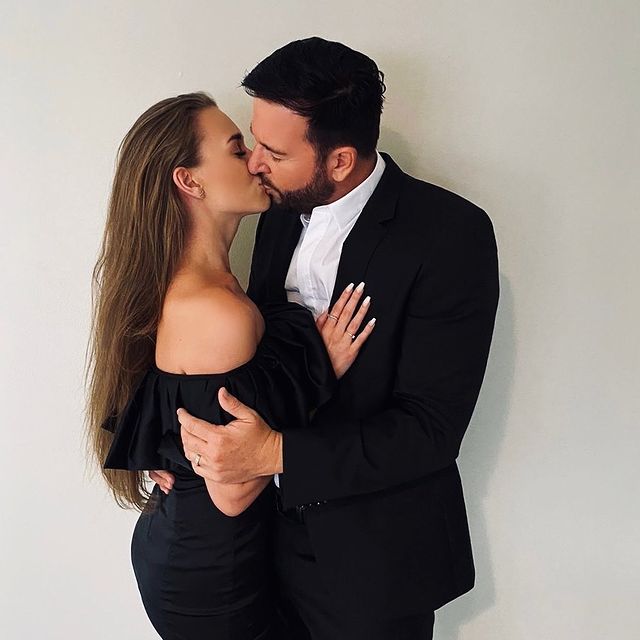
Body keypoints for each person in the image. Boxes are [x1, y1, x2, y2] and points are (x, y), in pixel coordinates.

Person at [168, 38, 500, 639]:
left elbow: (430, 430)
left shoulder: (451, 235)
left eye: (273, 151)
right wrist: (171, 448)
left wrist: (276, 454)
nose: (254, 163)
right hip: (251, 545)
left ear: (340, 160)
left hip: (375, 560)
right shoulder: (271, 209)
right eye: (253, 141)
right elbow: (242, 364)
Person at [85, 91, 374, 640]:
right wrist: (319, 371)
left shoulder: (206, 286)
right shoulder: (217, 311)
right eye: (238, 149)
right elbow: (232, 490)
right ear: (189, 181)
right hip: (212, 575)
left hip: (198, 549)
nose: (258, 162)